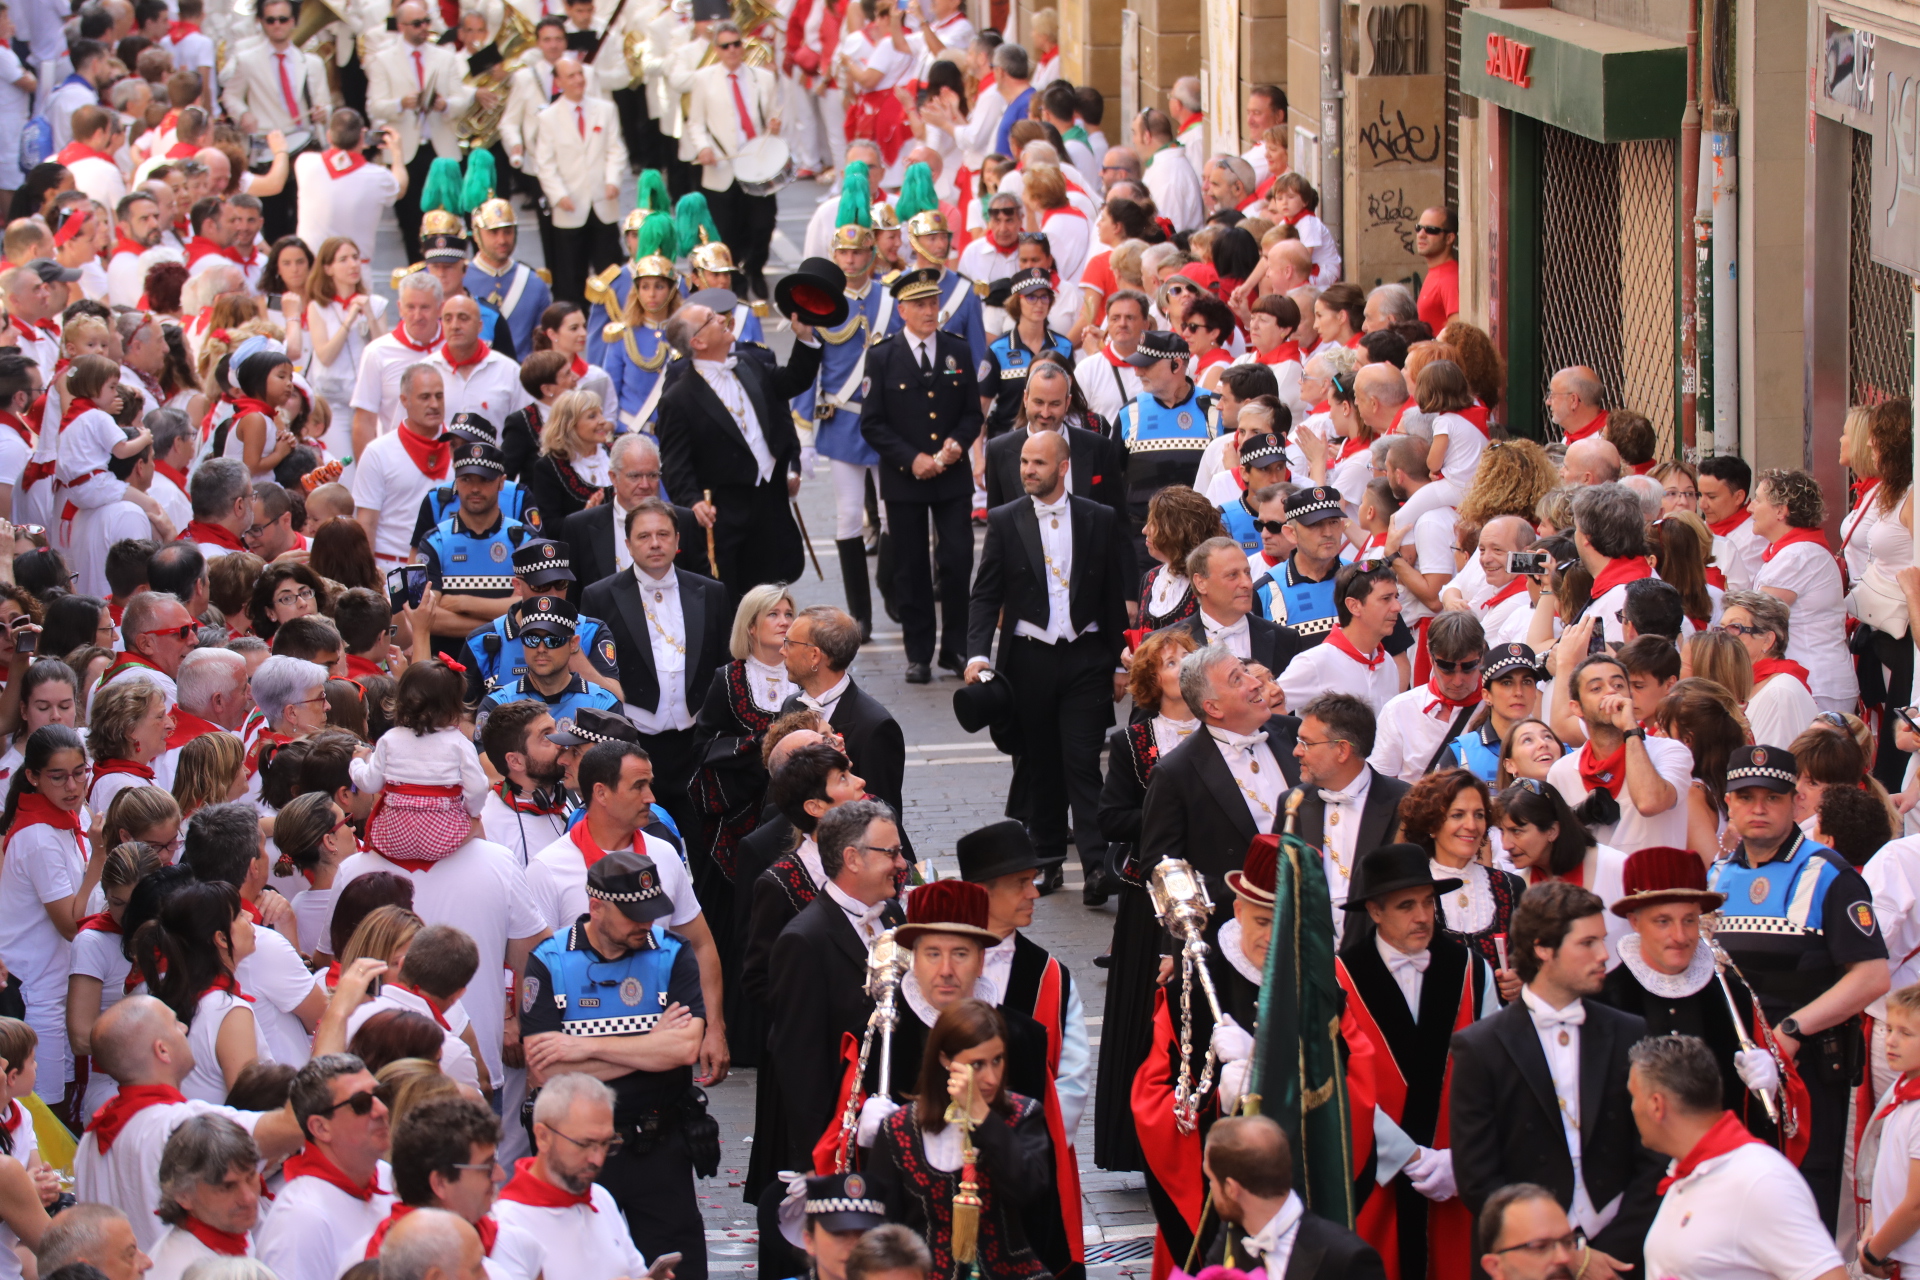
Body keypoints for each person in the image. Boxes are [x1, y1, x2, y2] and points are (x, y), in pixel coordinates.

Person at [1707, 742, 1891, 1229]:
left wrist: (1789, 1030)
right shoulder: (1716, 875)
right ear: (1728, 802)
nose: (1759, 808)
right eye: (1746, 797)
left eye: (1772, 797)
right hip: (1737, 1075)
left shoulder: (1831, 875)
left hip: (1809, 1073)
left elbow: (1872, 975)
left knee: (1803, 1218)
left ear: (1796, 802)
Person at [1448, 882, 1665, 1274]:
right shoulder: (1479, 1047)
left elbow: (1655, 1155)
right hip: (1524, 1259)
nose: (1604, 955)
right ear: (1543, 948)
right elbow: (1477, 1177)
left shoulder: (1631, 1032)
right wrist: (1560, 1253)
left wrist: (1613, 1250)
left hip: (1623, 1253)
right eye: (1588, 943)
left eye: (1602, 940)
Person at [519, 850, 708, 1280]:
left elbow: (682, 1051)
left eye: (652, 913)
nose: (647, 924)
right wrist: (650, 1046)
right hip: (577, 1150)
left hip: (660, 1146)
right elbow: (547, 1074)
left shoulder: (673, 954)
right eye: (634, 916)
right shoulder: (548, 961)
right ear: (597, 906)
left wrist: (583, 1049)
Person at [963, 429, 1131, 898]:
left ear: (1062, 467)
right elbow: (984, 594)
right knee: (1039, 764)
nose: (1027, 471)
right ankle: (1049, 858)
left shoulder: (1099, 517)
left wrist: (1121, 662)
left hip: (1085, 658)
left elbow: (1112, 596)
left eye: (1038, 463)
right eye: (1023, 463)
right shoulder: (1004, 519)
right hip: (1029, 659)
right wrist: (978, 653)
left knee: (1081, 761)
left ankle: (1098, 867)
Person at [74, 985, 357, 1251]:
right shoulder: (183, 1125)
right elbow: (296, 1123)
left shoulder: (90, 1138)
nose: (184, 1028)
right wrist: (337, 1013)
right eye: (175, 1023)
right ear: (162, 1050)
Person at [1335, 844, 1495, 1280]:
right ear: (1375, 911)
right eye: (1407, 906)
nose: (1423, 917)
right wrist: (1406, 1156)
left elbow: (1497, 1074)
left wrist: (1460, 1159)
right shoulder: (1340, 979)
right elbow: (1337, 1085)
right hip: (1376, 1176)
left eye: (1428, 902)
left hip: (1456, 1174)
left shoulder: (1470, 970)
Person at [524, 739, 724, 1081]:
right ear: (601, 793)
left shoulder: (664, 856)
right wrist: (654, 1047)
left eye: (650, 785)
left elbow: (701, 943)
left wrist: (715, 1027)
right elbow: (536, 966)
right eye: (639, 787)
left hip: (657, 1083)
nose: (652, 798)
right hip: (581, 1084)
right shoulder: (547, 869)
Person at [1133, 834, 1277, 1264]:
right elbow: (1151, 1101)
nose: (1273, 937)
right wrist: (1214, 1103)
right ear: (1238, 910)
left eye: (1285, 922)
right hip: (1218, 1202)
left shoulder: (1324, 986)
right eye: (1263, 921)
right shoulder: (1190, 990)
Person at [1594, 848, 1800, 1148]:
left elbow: (1772, 1116)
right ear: (1635, 923)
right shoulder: (1606, 999)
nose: (1679, 936)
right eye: (1663, 921)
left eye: (1689, 920)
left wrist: (1768, 1084)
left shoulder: (1730, 993)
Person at [864, 999, 1051, 1280]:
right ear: (945, 1060)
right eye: (977, 1064)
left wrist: (983, 1118)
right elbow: (882, 1226)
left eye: (997, 1060)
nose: (990, 1077)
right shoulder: (898, 1129)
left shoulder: (1023, 1115)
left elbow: (1026, 1190)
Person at [765, 799, 906, 1172]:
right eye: (891, 852)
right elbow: (800, 1063)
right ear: (852, 859)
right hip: (845, 1139)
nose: (902, 863)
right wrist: (824, 1160)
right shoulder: (804, 941)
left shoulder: (892, 914)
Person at [1633, 1035, 1846, 1280]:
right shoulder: (1688, 1172)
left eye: (1633, 1097)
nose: (1632, 1108)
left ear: (1656, 1105)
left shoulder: (1760, 1179)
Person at [578, 499, 732, 837]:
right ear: (629, 544)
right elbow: (593, 675)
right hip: (635, 740)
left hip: (697, 743)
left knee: (706, 841)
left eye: (663, 534)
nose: (655, 543)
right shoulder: (600, 597)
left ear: (678, 541)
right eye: (644, 536)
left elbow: (725, 666)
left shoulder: (711, 592)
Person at [857, 266, 982, 682]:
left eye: (933, 302)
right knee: (910, 567)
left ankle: (956, 649)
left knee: (957, 559)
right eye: (921, 305)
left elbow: (971, 413)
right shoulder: (881, 355)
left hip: (951, 474)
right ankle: (919, 653)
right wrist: (911, 459)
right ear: (901, 309)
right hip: (905, 478)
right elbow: (872, 423)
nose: (930, 311)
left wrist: (956, 446)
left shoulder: (956, 350)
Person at [655, 295, 820, 602]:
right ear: (698, 341)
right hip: (726, 509)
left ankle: (772, 647)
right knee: (733, 598)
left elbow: (792, 381)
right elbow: (676, 463)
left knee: (773, 593)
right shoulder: (679, 399)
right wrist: (692, 502)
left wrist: (805, 338)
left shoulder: (749, 364)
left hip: (769, 500)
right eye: (710, 317)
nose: (721, 317)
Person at [1137, 644, 1301, 910]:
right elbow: (1162, 870)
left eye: (1246, 672)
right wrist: (1246, 890)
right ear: (1213, 708)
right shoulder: (1176, 773)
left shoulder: (1296, 734)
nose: (1255, 683)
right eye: (1238, 679)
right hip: (1235, 926)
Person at [0, 724, 108, 1105]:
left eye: (79, 773)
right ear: (32, 777)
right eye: (58, 777)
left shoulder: (76, 819)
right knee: (44, 1108)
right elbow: (70, 926)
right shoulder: (38, 838)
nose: (73, 787)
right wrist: (98, 856)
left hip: (59, 986)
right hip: (35, 994)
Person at [491, 1074, 656, 1280]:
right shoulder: (506, 1224)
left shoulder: (600, 1197)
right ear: (543, 1137)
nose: (597, 1159)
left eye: (606, 1143)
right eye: (584, 1144)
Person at [255, 1053, 399, 1280]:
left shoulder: (387, 1175)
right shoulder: (301, 1219)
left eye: (381, 1095)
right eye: (361, 1104)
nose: (381, 1110)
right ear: (321, 1128)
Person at [688, 583, 796, 886]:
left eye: (789, 614)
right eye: (773, 614)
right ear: (751, 626)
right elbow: (703, 749)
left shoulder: (805, 675)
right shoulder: (729, 678)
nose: (784, 621)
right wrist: (763, 743)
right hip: (740, 815)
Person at [1200, 1114, 1386, 1278]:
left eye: (1212, 1180)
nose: (1211, 1188)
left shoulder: (1348, 1259)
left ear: (1232, 1188)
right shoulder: (1230, 1237)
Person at [1287, 692, 1412, 936]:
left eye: (1306, 743)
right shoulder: (1292, 804)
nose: (1296, 751)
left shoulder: (1404, 804)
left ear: (1342, 750)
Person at [1545, 650, 1692, 849]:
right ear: (1576, 708)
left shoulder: (1671, 751)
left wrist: (1631, 730)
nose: (1611, 692)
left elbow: (1649, 803)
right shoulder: (1561, 772)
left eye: (1618, 685)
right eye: (1596, 688)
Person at [348, 658, 488, 865]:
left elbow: (370, 784)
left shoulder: (390, 738)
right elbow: (478, 788)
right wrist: (470, 813)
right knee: (478, 826)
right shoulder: (459, 743)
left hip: (393, 836)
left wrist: (357, 763)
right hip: (443, 837)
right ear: (455, 705)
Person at [367, 3, 472, 264]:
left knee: (451, 218)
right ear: (401, 26)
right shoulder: (383, 59)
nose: (424, 27)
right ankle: (416, 273)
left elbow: (462, 100)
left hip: (441, 147)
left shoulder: (445, 56)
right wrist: (401, 103)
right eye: (417, 23)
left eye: (426, 21)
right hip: (407, 151)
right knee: (411, 221)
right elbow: (374, 105)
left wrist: (445, 104)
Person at [1748, 468, 1859, 715]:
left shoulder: (1798, 555)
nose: (1750, 508)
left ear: (1781, 510)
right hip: (1813, 681)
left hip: (1816, 684)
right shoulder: (1796, 552)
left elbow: (1754, 618)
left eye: (1758, 499)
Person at [530, 57, 625, 305]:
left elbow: (616, 149)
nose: (578, 80)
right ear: (559, 82)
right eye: (571, 76)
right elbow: (545, 163)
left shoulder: (606, 109)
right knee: (572, 273)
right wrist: (559, 195)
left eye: (580, 74)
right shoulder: (548, 117)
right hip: (570, 206)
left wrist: (613, 179)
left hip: (603, 203)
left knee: (610, 270)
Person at [1367, 611, 1487, 785]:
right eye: (1446, 668)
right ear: (1430, 657)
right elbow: (1383, 788)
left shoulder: (1500, 709)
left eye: (1468, 667)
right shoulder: (1399, 710)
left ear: (1481, 656)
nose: (1458, 680)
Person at [351, 366, 449, 569]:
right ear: (405, 400)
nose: (434, 404)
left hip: (449, 565)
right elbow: (366, 523)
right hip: (392, 566)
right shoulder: (378, 452)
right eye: (425, 397)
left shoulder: (461, 449)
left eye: (439, 396)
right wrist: (368, 577)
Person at [146, 1114, 265, 1280]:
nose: (249, 1198)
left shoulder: (228, 1226)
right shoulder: (180, 1270)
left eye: (251, 1177)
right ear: (183, 1195)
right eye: (227, 1187)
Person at [1277, 561, 1404, 715]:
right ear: (1354, 606)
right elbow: (1265, 710)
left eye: (1396, 597)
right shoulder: (1314, 662)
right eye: (1386, 598)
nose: (1397, 606)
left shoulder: (1388, 663)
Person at [1700, 453, 1765, 593]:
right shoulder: (1700, 527)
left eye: (1711, 497)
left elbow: (1740, 596)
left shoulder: (1754, 538)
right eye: (1700, 495)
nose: (1702, 505)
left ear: (1738, 497)